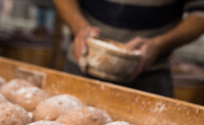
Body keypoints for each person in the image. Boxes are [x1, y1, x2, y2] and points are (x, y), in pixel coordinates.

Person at [54, 0, 204, 97]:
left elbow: (200, 13)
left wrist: (159, 45)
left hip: (150, 76)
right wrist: (79, 26)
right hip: (84, 62)